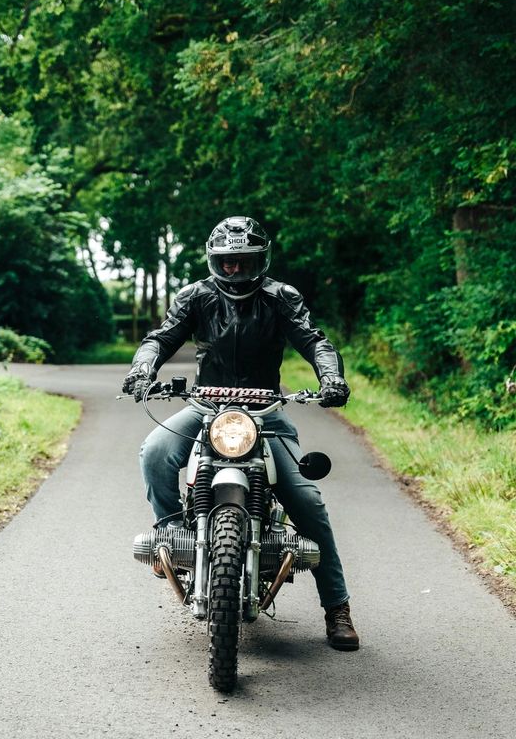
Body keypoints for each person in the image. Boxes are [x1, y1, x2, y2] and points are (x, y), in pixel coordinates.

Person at [122, 216, 359, 651]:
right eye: (226, 261)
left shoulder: (280, 298)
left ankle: (337, 607)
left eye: (243, 260)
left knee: (307, 501)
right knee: (155, 451)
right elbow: (160, 338)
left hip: (265, 412)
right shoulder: (195, 296)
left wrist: (332, 377)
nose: (233, 269)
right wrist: (142, 369)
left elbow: (314, 341)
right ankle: (172, 539)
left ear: (259, 260)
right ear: (214, 260)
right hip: (205, 408)